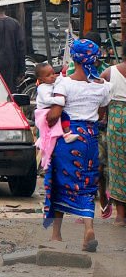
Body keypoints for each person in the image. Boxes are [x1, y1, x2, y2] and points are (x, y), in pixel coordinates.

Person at [43, 39, 112, 252]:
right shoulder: (104, 87)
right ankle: (88, 230)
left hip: (67, 139)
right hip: (90, 138)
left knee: (59, 182)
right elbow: (101, 115)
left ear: (74, 59)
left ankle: (56, 235)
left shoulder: (64, 83)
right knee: (87, 185)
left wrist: (45, 118)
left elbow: (54, 115)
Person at [34, 62, 79, 171]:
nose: (52, 76)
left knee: (62, 119)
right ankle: (65, 134)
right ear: (41, 78)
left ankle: (65, 134)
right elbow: (47, 100)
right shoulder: (42, 88)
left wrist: (61, 77)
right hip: (44, 111)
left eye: (53, 73)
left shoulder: (51, 84)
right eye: (48, 75)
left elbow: (60, 80)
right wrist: (59, 100)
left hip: (49, 109)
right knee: (60, 119)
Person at [101, 51, 126, 226]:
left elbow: (99, 103)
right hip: (116, 125)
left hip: (117, 125)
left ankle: (120, 215)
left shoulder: (109, 73)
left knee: (118, 168)